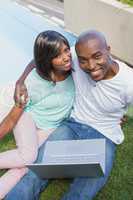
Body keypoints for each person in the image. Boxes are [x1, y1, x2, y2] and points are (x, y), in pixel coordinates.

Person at [5, 29, 133, 200]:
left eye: (97, 56)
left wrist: (121, 114)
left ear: (108, 50)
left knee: (87, 186)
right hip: (72, 125)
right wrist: (21, 80)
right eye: (83, 60)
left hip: (105, 135)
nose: (91, 65)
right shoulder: (73, 54)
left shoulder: (128, 83)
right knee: (38, 171)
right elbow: (41, 59)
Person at [0, 30, 75, 199]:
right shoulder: (33, 82)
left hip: (50, 127)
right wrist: (21, 80)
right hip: (29, 118)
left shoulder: (75, 65)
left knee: (24, 167)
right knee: (28, 156)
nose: (66, 57)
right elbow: (12, 119)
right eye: (57, 55)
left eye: (66, 49)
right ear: (47, 60)